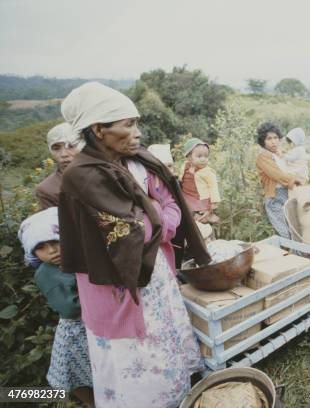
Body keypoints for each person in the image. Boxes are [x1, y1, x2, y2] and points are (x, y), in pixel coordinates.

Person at [58, 81, 210, 407]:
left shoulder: (133, 161)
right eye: (128, 124)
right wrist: (155, 214)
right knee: (134, 359)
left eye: (136, 122)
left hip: (152, 277)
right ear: (99, 129)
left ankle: (176, 397)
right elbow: (130, 230)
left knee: (162, 344)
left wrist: (153, 215)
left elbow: (160, 209)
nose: (137, 132)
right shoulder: (84, 175)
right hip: (118, 287)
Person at [18, 207, 94, 407]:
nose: (51, 250)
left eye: (55, 241)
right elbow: (69, 308)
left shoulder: (80, 259)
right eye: (41, 247)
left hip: (93, 326)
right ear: (32, 252)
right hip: (78, 333)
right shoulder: (46, 273)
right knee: (78, 378)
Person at [255, 122, 298, 239]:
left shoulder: (277, 155)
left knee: (294, 231)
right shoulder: (263, 156)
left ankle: (295, 256)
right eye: (269, 138)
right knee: (285, 233)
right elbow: (277, 175)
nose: (273, 141)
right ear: (263, 141)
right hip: (275, 197)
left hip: (286, 194)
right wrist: (296, 181)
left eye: (276, 138)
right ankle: (288, 255)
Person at [35, 123, 83, 210]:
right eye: (56, 148)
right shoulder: (47, 189)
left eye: (71, 146)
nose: (63, 154)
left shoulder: (106, 173)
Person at [179, 137, 221, 224]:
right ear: (189, 157)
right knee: (184, 208)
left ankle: (206, 217)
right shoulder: (186, 166)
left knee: (200, 212)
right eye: (199, 156)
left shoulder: (207, 172)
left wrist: (214, 202)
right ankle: (197, 218)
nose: (203, 159)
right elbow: (181, 176)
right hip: (187, 194)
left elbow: (213, 187)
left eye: (206, 156)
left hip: (200, 198)